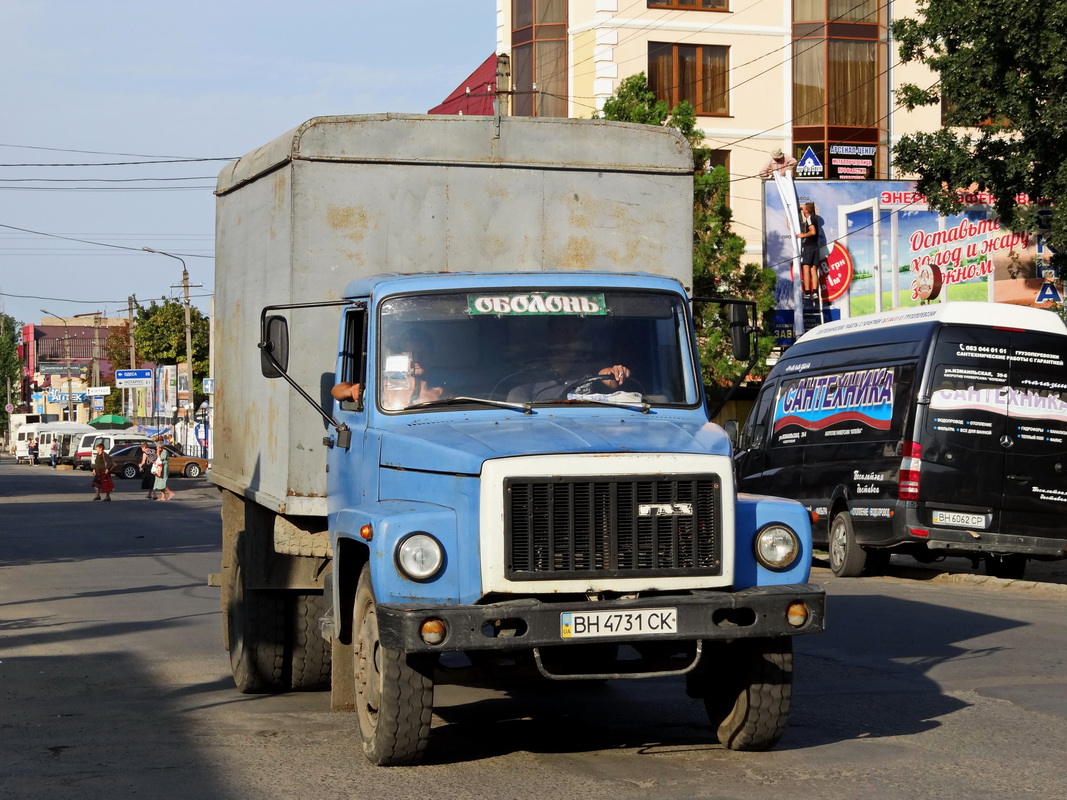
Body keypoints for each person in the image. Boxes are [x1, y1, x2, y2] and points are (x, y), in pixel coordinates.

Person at [507, 316, 631, 403]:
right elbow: (516, 414)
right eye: (563, 331)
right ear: (551, 334)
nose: (570, 338)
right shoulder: (531, 375)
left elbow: (609, 382)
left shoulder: (592, 368)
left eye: (575, 331)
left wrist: (615, 374)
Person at [797, 201, 820, 299]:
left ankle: (807, 291)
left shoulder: (810, 219)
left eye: (804, 208)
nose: (802, 210)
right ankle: (815, 292)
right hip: (815, 246)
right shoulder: (814, 219)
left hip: (808, 247)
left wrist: (802, 235)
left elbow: (813, 231)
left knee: (806, 268)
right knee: (813, 269)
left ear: (806, 210)